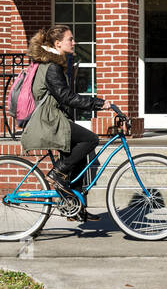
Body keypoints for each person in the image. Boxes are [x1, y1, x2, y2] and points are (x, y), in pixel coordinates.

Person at [19, 24, 106, 222]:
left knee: (79, 160)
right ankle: (57, 173)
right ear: (58, 43)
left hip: (54, 118)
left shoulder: (53, 63)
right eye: (70, 39)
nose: (74, 43)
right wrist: (99, 103)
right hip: (49, 120)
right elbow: (67, 97)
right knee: (91, 139)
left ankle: (75, 208)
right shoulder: (52, 66)